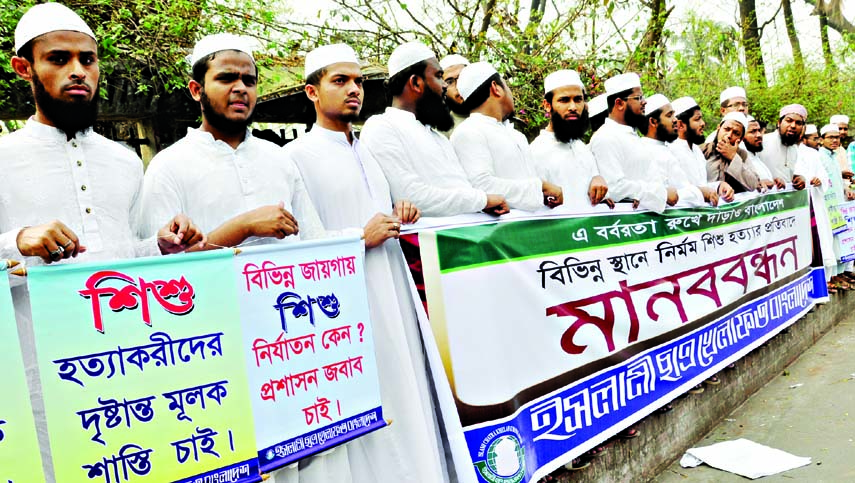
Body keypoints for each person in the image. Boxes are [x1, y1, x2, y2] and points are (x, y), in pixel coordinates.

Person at [5, 4, 203, 480]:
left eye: (88, 60)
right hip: (31, 368)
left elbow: (125, 250)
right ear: (24, 68)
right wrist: (16, 240)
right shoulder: (3, 157)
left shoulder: (124, 162)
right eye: (59, 58)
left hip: (127, 365)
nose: (78, 71)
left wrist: (161, 246)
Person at [281, 43, 449, 483]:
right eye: (340, 81)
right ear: (312, 92)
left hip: (393, 292)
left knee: (410, 402)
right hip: (345, 312)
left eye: (357, 81)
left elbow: (384, 209)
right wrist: (359, 237)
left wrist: (402, 210)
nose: (354, 89)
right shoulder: (296, 158)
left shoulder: (367, 151)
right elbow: (299, 246)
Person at [140, 34, 330, 252]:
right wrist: (243, 227)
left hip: (289, 287)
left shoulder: (279, 158)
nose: (241, 88)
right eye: (226, 78)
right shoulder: (168, 166)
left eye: (249, 81)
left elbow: (315, 241)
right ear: (196, 90)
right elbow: (159, 266)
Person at [360, 42, 509, 217]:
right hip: (431, 241)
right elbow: (412, 197)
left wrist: (484, 202)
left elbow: (463, 188)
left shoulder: (438, 137)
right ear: (416, 82)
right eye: (439, 76)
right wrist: (482, 200)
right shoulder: (381, 127)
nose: (445, 86)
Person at [450, 61, 563, 211]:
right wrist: (540, 187)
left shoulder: (516, 135)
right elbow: (481, 186)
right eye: (507, 86)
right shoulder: (468, 132)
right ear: (496, 88)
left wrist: (542, 193)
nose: (511, 93)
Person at [590, 72, 676, 212]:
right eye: (639, 97)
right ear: (619, 103)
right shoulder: (606, 137)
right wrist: (662, 194)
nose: (644, 102)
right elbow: (614, 187)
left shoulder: (631, 136)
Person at [529, 69, 611, 211]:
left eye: (578, 100)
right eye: (564, 100)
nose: (573, 107)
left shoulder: (581, 148)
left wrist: (597, 179)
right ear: (547, 105)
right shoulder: (537, 152)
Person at [640, 94, 720, 206]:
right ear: (653, 122)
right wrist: (700, 193)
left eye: (674, 115)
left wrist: (717, 186)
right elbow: (666, 198)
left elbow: (685, 187)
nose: (675, 120)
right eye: (669, 116)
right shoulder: (645, 151)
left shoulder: (665, 149)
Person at [669, 96, 734, 202]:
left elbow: (701, 186)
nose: (703, 123)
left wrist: (718, 186)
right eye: (697, 119)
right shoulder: (671, 151)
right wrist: (700, 192)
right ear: (680, 125)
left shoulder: (696, 150)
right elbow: (675, 194)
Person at [702, 112, 760, 193]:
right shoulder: (702, 150)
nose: (729, 135)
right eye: (727, 129)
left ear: (741, 139)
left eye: (736, 133)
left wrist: (733, 157)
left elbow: (753, 184)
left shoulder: (742, 155)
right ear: (718, 128)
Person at [757, 104, 808, 190]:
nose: (793, 126)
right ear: (779, 123)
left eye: (798, 123)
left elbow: (789, 174)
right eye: (789, 121)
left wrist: (799, 178)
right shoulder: (763, 142)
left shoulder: (794, 149)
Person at [743, 116, 782, 191]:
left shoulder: (755, 155)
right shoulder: (739, 159)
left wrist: (775, 182)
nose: (759, 135)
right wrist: (757, 184)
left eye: (759, 131)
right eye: (753, 131)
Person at [439, 53, 470, 131]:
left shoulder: (499, 115)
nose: (458, 86)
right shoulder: (443, 132)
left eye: (462, 77)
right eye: (450, 82)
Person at [829, 115, 852, 179]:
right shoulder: (827, 150)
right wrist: (840, 174)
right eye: (840, 129)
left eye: (845, 129)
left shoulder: (843, 149)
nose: (843, 132)